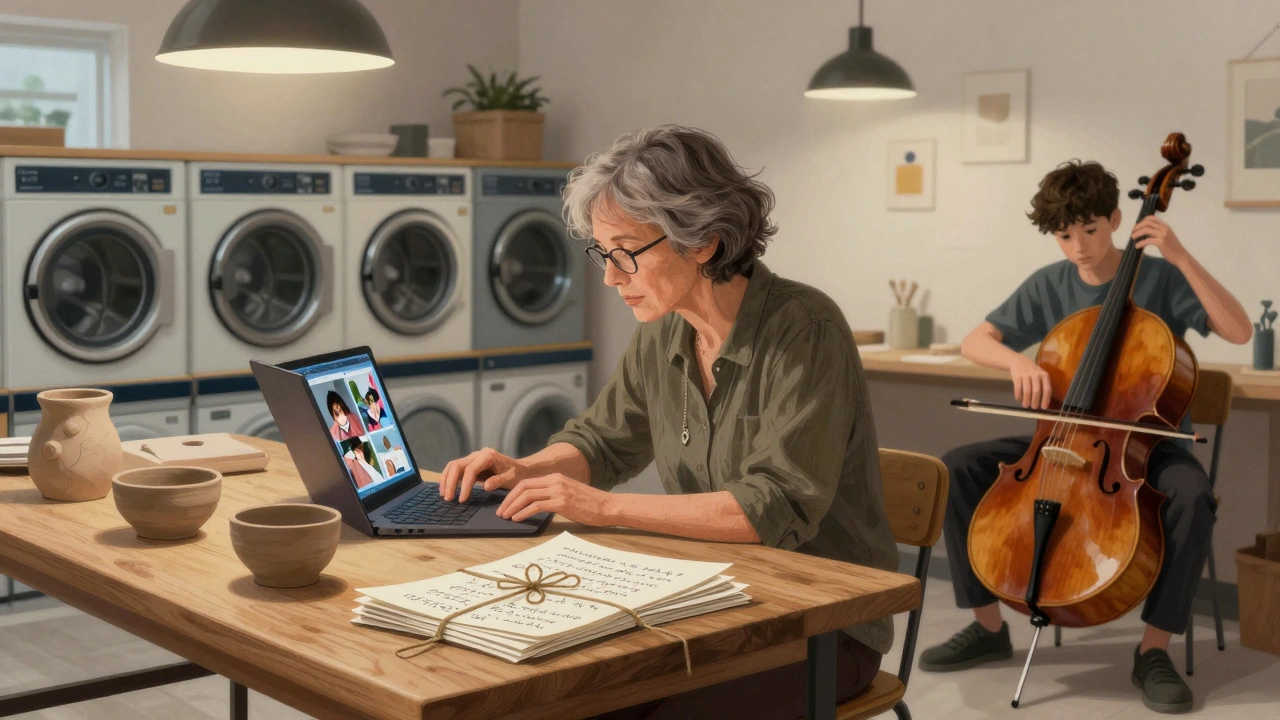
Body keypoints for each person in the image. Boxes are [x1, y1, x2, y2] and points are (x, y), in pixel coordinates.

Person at [438, 125, 899, 720]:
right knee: (556, 695)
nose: (609, 277)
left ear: (702, 240)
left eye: (626, 252)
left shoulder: (804, 329)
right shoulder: (663, 330)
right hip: (716, 598)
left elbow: (771, 507)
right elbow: (600, 443)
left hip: (824, 624)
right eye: (602, 253)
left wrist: (597, 507)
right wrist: (525, 470)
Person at [917, 160, 1252, 714]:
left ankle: (1153, 652)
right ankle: (987, 627)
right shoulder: (1049, 283)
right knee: (956, 466)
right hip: (1061, 436)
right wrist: (1015, 365)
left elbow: (1238, 331)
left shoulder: (1162, 279)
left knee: (1193, 499)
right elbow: (977, 340)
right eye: (1064, 235)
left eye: (1090, 231)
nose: (1078, 247)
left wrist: (1180, 255)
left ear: (1118, 219)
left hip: (1147, 443)